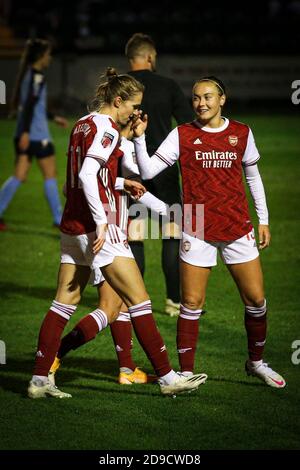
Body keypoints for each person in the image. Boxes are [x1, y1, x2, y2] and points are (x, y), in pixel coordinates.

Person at [27, 67, 207, 399]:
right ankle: (168, 378)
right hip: (101, 230)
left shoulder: (83, 123)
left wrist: (124, 179)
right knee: (139, 301)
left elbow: (100, 174)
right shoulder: (107, 128)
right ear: (119, 100)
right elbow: (86, 174)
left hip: (73, 226)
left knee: (64, 302)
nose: (135, 112)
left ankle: (40, 379)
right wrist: (102, 221)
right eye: (133, 106)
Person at [132, 76, 286, 389]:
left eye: (207, 97)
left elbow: (253, 179)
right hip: (197, 227)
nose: (201, 103)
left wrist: (264, 220)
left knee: (256, 300)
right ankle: (186, 373)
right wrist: (139, 138)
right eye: (195, 98)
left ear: (222, 99)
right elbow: (148, 171)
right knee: (191, 303)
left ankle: (256, 362)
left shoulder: (241, 133)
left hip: (236, 226)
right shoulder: (182, 134)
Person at [49, 121, 170, 386]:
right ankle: (55, 353)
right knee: (111, 307)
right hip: (106, 233)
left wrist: (175, 215)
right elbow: (142, 173)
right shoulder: (118, 143)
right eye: (135, 109)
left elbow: (133, 186)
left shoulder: (99, 139)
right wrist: (140, 140)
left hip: (101, 231)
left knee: (121, 305)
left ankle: (126, 369)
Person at [125, 32, 194, 316]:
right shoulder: (167, 85)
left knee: (135, 234)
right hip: (164, 168)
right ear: (151, 57)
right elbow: (189, 125)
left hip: (129, 169)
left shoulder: (121, 88)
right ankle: (173, 301)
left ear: (130, 58)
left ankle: (135, 301)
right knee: (171, 233)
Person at [0, 38, 68, 231]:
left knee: (19, 175)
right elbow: (30, 105)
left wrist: (53, 117)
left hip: (25, 133)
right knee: (50, 175)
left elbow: (34, 106)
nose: (50, 58)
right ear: (40, 56)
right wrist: (27, 133)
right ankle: (59, 219)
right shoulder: (37, 77)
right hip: (37, 136)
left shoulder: (27, 75)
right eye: (48, 54)